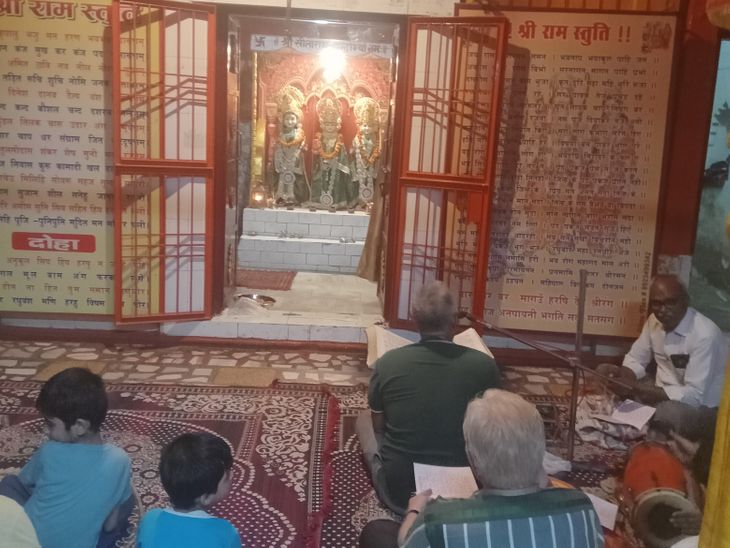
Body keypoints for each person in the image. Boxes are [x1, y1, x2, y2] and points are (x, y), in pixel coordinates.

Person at [356, 281, 501, 513]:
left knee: (365, 418)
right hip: (469, 487)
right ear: (454, 320)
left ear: (415, 318)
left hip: (403, 492)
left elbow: (378, 426)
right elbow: (495, 425)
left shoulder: (389, 363)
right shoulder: (485, 365)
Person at [398, 389, 604, 547]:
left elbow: (405, 542)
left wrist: (414, 509)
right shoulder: (581, 507)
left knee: (382, 531)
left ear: (473, 460)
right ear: (541, 450)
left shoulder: (436, 521)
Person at [0, 367, 134, 548]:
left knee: (10, 483)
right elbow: (110, 525)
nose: (46, 431)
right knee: (127, 499)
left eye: (50, 424)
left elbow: (25, 482)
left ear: (79, 426)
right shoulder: (121, 460)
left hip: (26, 540)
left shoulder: (49, 451)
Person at [597, 274, 728, 440]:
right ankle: (643, 418)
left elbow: (694, 396)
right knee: (605, 372)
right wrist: (623, 382)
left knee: (667, 413)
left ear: (685, 301)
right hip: (660, 392)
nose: (663, 310)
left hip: (701, 408)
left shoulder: (705, 335)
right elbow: (636, 359)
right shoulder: (654, 321)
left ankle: (644, 421)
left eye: (670, 302)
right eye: (657, 303)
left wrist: (636, 389)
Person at [136, 432, 241, 548]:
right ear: (205, 497)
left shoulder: (150, 519)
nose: (232, 475)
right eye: (227, 476)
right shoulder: (225, 532)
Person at [310, 95, 353, 210]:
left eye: (332, 124)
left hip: (336, 168)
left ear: (337, 125)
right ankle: (318, 202)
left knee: (337, 183)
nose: (329, 127)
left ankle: (336, 202)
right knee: (319, 181)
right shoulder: (319, 138)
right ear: (322, 124)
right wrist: (316, 154)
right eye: (327, 124)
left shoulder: (339, 140)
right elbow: (314, 155)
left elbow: (343, 156)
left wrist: (335, 164)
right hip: (321, 167)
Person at [270, 85, 308, 206]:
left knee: (294, 179)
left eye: (292, 119)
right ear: (283, 120)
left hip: (295, 159)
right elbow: (279, 146)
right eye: (287, 119)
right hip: (283, 159)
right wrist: (279, 155)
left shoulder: (299, 133)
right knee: (282, 178)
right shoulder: (281, 134)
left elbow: (303, 145)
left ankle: (294, 197)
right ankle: (281, 196)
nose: (290, 122)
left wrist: (298, 153)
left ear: (297, 120)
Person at [351, 96, 381, 209]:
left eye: (370, 125)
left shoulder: (376, 139)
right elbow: (353, 150)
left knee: (371, 181)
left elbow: (377, 151)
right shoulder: (357, 138)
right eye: (364, 125)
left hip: (371, 164)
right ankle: (360, 201)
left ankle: (370, 202)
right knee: (360, 181)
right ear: (359, 125)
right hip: (360, 164)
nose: (367, 128)